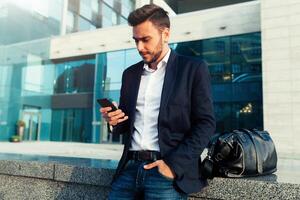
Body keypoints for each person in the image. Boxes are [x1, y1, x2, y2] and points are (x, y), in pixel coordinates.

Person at [100, 4, 215, 200]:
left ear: (166, 34)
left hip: (165, 173)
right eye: (136, 40)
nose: (139, 47)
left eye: (146, 40)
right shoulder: (130, 74)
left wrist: (173, 166)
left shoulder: (193, 69)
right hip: (129, 170)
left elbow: (206, 123)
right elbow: (126, 125)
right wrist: (114, 121)